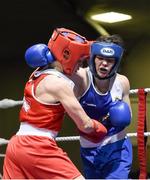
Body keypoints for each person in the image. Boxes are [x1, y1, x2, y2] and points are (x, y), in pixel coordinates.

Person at [23, 34, 133, 179]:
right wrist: (49, 57)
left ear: (116, 62)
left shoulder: (122, 82)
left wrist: (120, 116)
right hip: (89, 151)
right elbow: (56, 73)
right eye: (100, 58)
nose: (104, 64)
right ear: (92, 58)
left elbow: (129, 116)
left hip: (117, 148)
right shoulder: (80, 77)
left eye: (109, 60)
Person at [2, 28, 107, 179]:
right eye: (80, 60)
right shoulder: (59, 85)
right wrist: (99, 129)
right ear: (67, 56)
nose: (80, 65)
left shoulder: (37, 74)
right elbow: (85, 124)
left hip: (16, 145)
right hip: (37, 147)